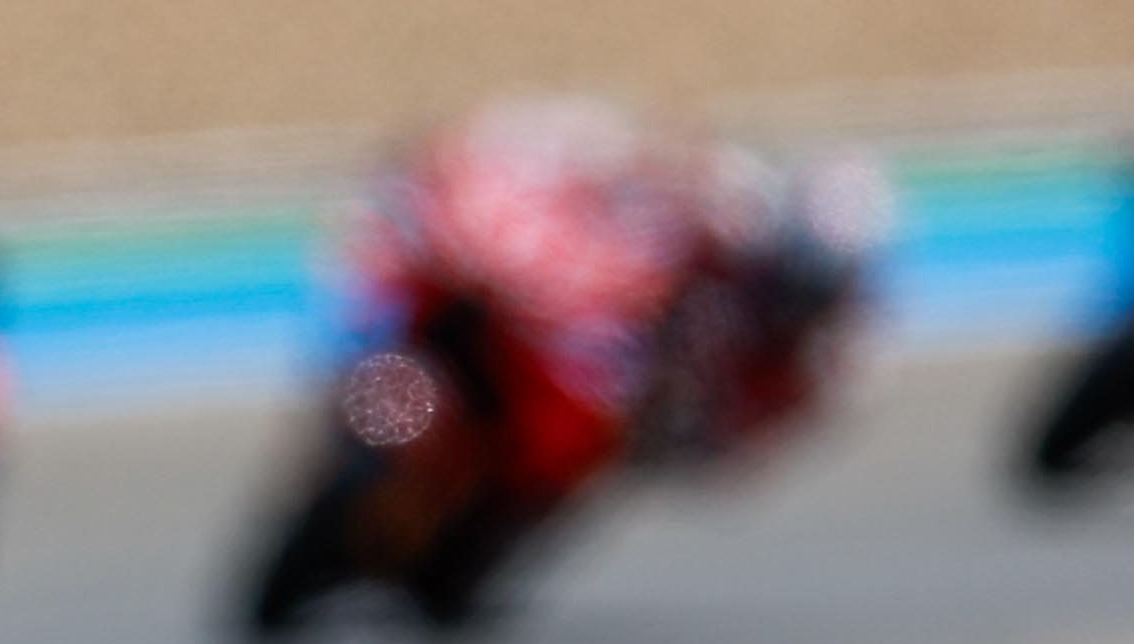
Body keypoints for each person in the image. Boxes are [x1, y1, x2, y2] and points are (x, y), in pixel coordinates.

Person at [348, 99, 879, 510]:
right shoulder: (726, 207)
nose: (794, 297)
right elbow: (627, 172)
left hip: (630, 396)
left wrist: (695, 431)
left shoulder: (833, 356)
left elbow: (755, 446)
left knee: (584, 452)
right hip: (568, 321)